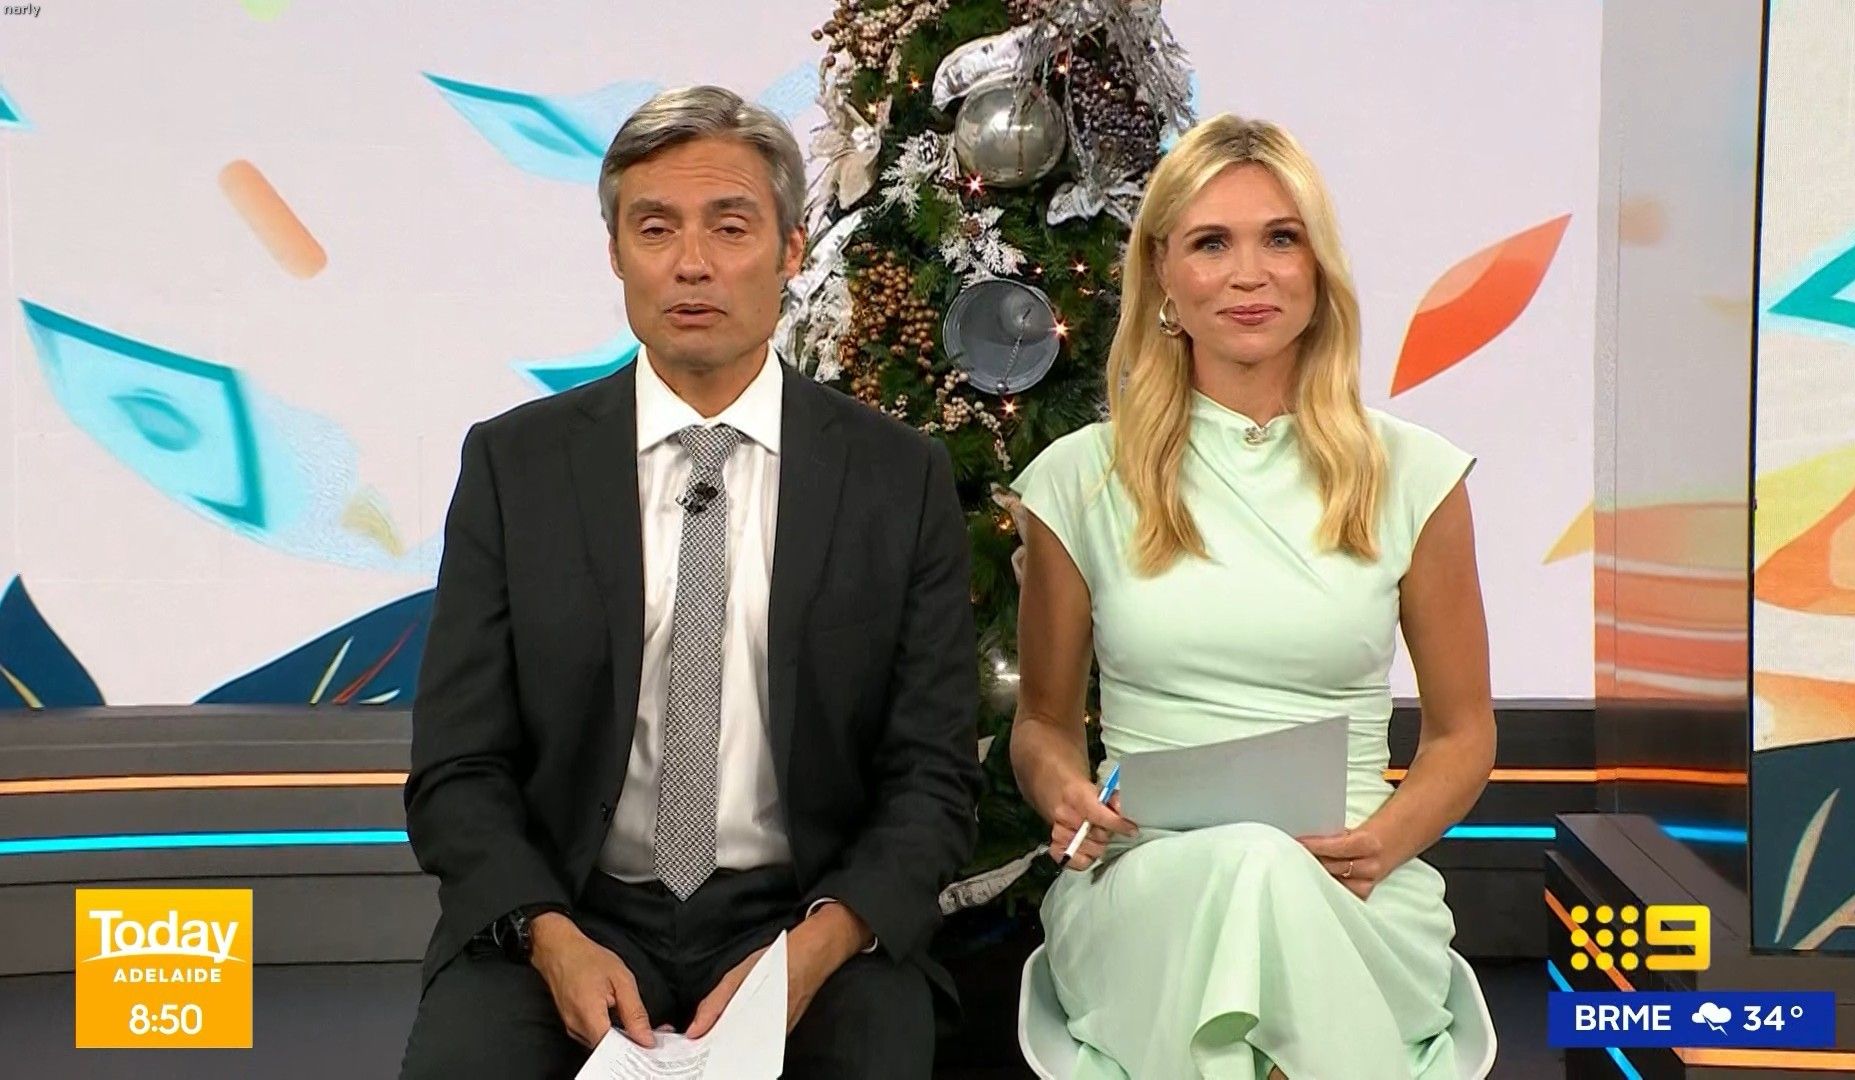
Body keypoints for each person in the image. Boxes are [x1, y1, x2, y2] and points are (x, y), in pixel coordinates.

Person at [399, 85, 980, 1080]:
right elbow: (458, 767)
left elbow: (932, 776)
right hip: (565, 911)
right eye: (655, 228)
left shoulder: (896, 477)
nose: (692, 263)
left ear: (792, 251)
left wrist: (818, 947)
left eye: (731, 226)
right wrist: (548, 935)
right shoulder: (514, 466)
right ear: (616, 254)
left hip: (805, 916)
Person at [1007, 113, 1496, 1079]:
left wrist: (1381, 844)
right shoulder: (1078, 480)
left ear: (1318, 270)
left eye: (1280, 239)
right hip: (1146, 886)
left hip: (1354, 887)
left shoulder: (1416, 475)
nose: (1248, 274)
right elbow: (1044, 726)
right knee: (1247, 866)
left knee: (1271, 874)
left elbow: (1463, 734)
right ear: (1163, 276)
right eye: (1210, 244)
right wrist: (1063, 792)